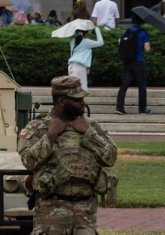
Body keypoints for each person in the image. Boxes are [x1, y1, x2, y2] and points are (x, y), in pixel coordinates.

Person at [19, 76, 118, 235]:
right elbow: (27, 161)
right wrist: (50, 137)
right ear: (62, 101)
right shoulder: (38, 127)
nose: (82, 103)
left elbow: (111, 157)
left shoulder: (91, 126)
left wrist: (88, 134)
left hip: (85, 210)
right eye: (77, 99)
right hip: (51, 210)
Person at [115, 15, 151, 115]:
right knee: (142, 86)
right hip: (138, 61)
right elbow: (147, 48)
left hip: (127, 62)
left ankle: (119, 107)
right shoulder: (143, 33)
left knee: (124, 85)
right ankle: (142, 109)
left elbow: (120, 44)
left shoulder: (126, 31)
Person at [66, 26, 104, 92]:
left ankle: (74, 102)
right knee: (82, 89)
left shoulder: (72, 41)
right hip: (79, 67)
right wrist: (97, 29)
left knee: (73, 89)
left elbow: (72, 54)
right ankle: (80, 102)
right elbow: (101, 42)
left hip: (71, 66)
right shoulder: (86, 42)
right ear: (85, 33)